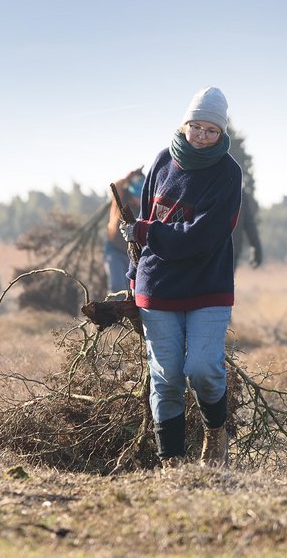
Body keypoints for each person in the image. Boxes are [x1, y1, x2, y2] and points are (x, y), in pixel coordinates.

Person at [120, 87, 242, 468]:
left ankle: (215, 434)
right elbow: (142, 224)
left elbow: (202, 236)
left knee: (202, 368)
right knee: (166, 378)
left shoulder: (228, 173)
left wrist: (148, 233)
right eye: (196, 127)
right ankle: (171, 466)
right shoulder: (162, 162)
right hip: (157, 288)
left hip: (208, 287)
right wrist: (133, 277)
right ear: (184, 123)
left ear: (222, 133)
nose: (202, 136)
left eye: (212, 130)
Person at [105, 167, 145, 294]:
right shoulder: (121, 199)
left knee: (132, 289)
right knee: (117, 286)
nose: (137, 200)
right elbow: (115, 187)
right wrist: (127, 178)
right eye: (136, 196)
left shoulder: (145, 204)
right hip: (115, 249)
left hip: (133, 252)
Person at [232, 197, 263, 271]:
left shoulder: (240, 196)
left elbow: (249, 223)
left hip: (229, 250)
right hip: (231, 250)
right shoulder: (239, 194)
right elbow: (249, 224)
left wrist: (257, 249)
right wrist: (257, 249)